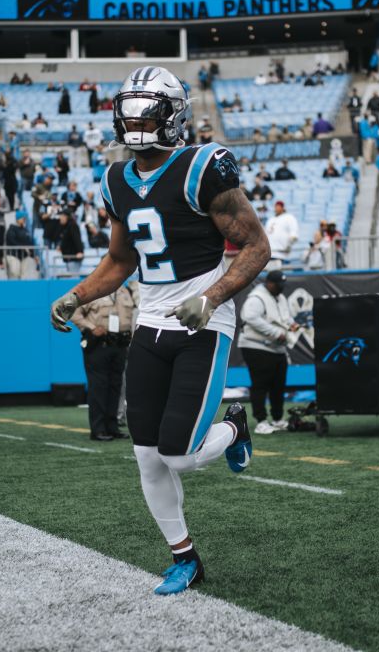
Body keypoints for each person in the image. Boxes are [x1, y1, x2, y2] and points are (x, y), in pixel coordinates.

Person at [49, 66, 269, 597]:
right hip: (151, 322)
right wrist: (78, 295)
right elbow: (120, 260)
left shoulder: (203, 167)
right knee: (145, 455)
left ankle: (236, 427)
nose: (135, 120)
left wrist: (211, 296)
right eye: (130, 109)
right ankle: (185, 558)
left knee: (178, 454)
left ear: (172, 115)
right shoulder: (115, 179)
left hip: (204, 320)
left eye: (147, 110)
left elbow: (256, 247)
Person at [71, 283, 137, 441]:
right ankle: (98, 429)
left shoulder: (126, 291)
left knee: (116, 387)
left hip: (120, 344)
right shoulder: (93, 290)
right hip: (99, 344)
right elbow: (74, 312)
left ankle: (112, 427)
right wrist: (91, 327)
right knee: (99, 387)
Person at [239, 270, 298, 435]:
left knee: (278, 385)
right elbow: (250, 317)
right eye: (279, 285)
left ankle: (278, 419)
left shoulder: (280, 297)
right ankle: (261, 421)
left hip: (277, 347)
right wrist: (274, 332)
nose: (282, 288)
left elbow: (286, 317)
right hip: (256, 346)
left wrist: (293, 325)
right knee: (260, 385)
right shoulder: (256, 298)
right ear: (270, 284)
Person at [264, 200, 299, 268]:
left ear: (283, 208)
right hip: (270, 254)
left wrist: (289, 244)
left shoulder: (289, 217)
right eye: (276, 206)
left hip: (281, 254)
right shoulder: (270, 220)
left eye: (278, 206)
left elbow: (294, 234)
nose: (276, 208)